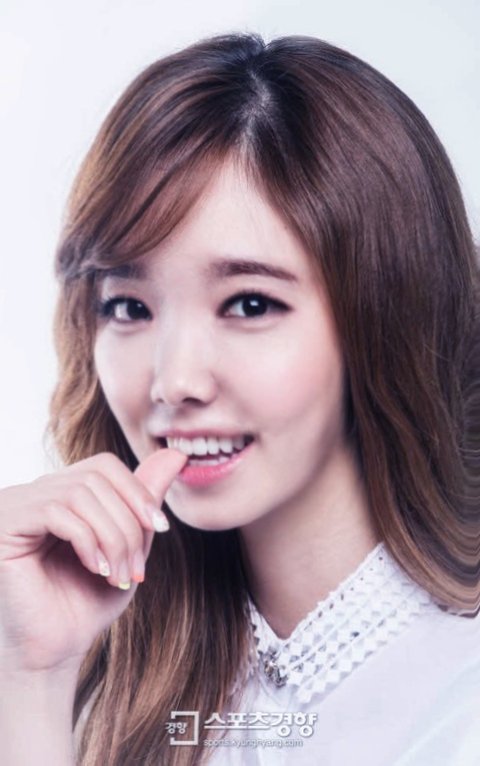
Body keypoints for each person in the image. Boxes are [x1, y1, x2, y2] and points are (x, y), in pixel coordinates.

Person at [0, 31, 478, 766]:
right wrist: (34, 678)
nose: (174, 381)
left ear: (385, 319)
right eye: (128, 307)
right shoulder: (95, 674)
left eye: (250, 304)